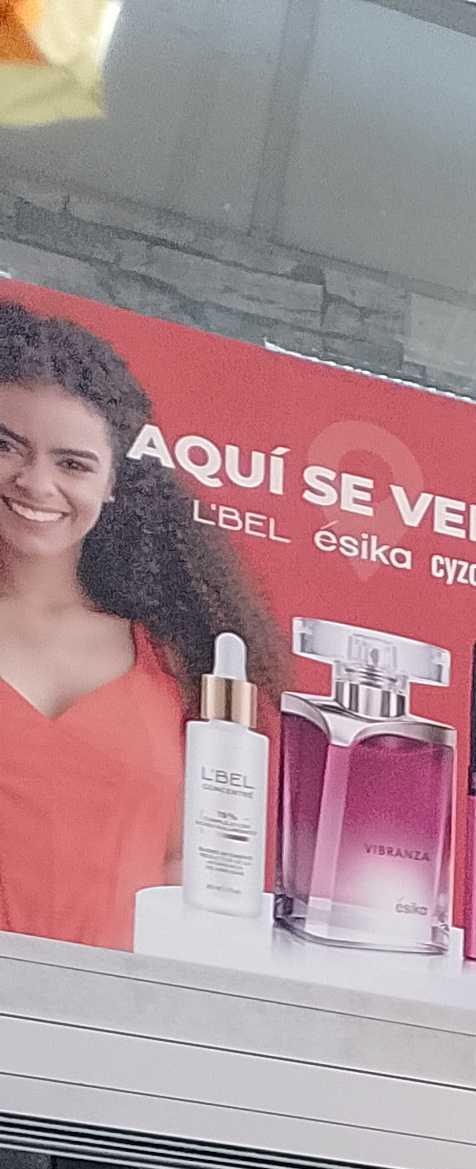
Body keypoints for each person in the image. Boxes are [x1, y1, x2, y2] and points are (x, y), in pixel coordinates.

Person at [0, 298, 284, 950]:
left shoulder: (175, 663)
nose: (36, 483)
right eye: (6, 446)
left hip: (121, 1007)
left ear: (113, 484)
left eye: (73, 463)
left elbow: (194, 874)